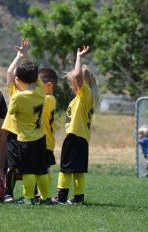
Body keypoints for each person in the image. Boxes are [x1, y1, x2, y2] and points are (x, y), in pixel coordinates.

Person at [2, 39, 52, 205]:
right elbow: (33, 77)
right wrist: (24, 56)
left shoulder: (17, 96)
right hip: (40, 138)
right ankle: (45, 198)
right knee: (41, 170)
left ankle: (27, 198)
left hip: (25, 139)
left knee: (28, 171)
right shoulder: (40, 91)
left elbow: (11, 112)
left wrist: (20, 58)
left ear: (18, 80)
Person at [54, 45, 100, 205]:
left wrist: (79, 57)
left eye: (72, 81)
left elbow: (79, 76)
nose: (71, 85)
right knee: (78, 170)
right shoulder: (84, 98)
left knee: (65, 169)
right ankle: (78, 198)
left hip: (74, 137)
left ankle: (60, 198)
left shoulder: (84, 94)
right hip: (81, 138)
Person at [33, 67, 58, 201]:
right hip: (45, 141)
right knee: (41, 168)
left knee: (44, 169)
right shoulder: (50, 98)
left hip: (45, 141)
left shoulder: (48, 99)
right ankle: (41, 194)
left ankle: (45, 195)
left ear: (48, 86)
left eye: (37, 85)